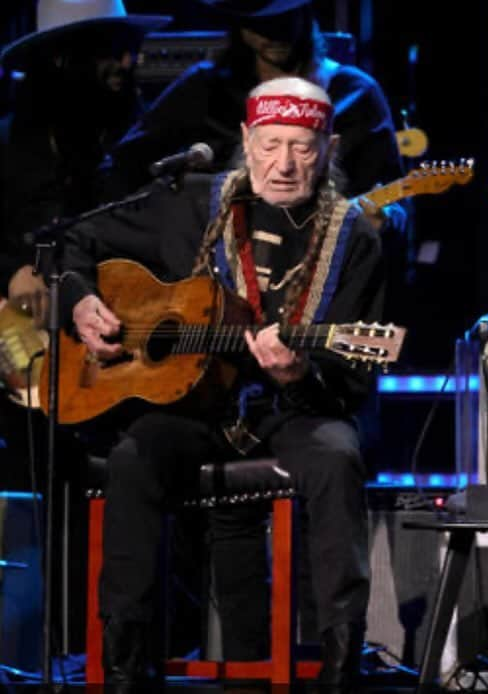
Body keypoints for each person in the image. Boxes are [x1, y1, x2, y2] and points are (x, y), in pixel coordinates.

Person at [59, 77, 384, 691]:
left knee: (338, 457)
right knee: (133, 458)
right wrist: (79, 301)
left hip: (293, 412)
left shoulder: (354, 237)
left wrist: (300, 372)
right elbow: (78, 242)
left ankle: (342, 666)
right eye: (270, 144)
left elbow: (352, 380)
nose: (284, 164)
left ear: (331, 147)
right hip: (195, 409)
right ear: (245, 139)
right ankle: (127, 667)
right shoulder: (192, 202)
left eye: (303, 147)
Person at [103, 0, 405, 234]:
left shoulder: (355, 93)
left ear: (306, 13)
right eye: (263, 22)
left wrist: (387, 218)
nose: (276, 32)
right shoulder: (205, 89)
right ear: (240, 24)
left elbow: (397, 195)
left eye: (285, 18)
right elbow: (124, 168)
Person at [0, 0, 171, 313]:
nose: (127, 61)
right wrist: (13, 270)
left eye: (130, 48)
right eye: (110, 50)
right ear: (62, 58)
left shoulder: (140, 141)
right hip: (27, 323)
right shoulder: (9, 144)